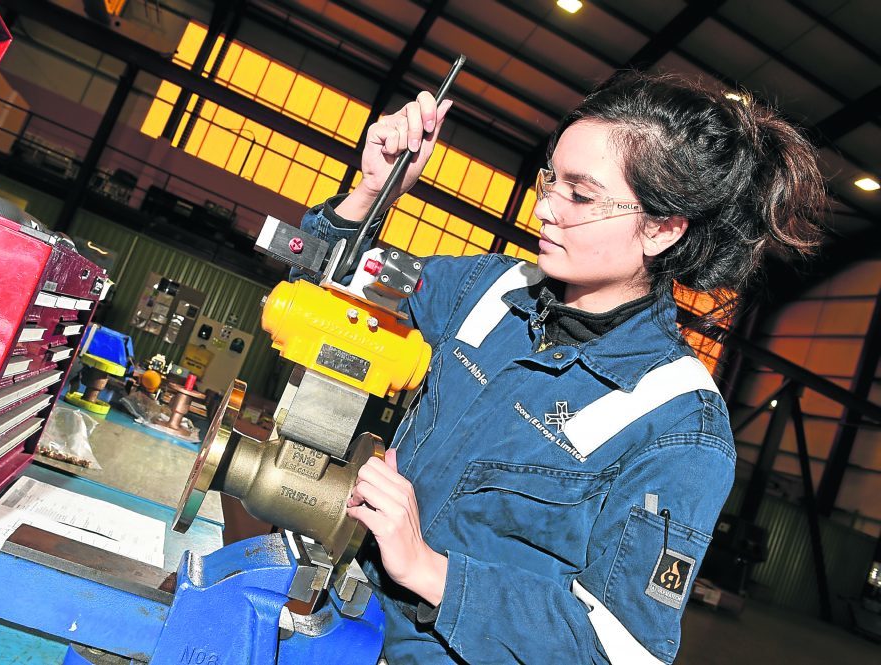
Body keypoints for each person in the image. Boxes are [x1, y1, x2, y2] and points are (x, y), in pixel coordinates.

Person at [297, 72, 825, 664]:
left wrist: (429, 570)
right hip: (343, 628)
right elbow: (327, 293)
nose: (545, 208)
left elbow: (624, 649)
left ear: (661, 229)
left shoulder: (678, 424)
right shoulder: (486, 289)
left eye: (581, 195)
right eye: (551, 180)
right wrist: (373, 191)